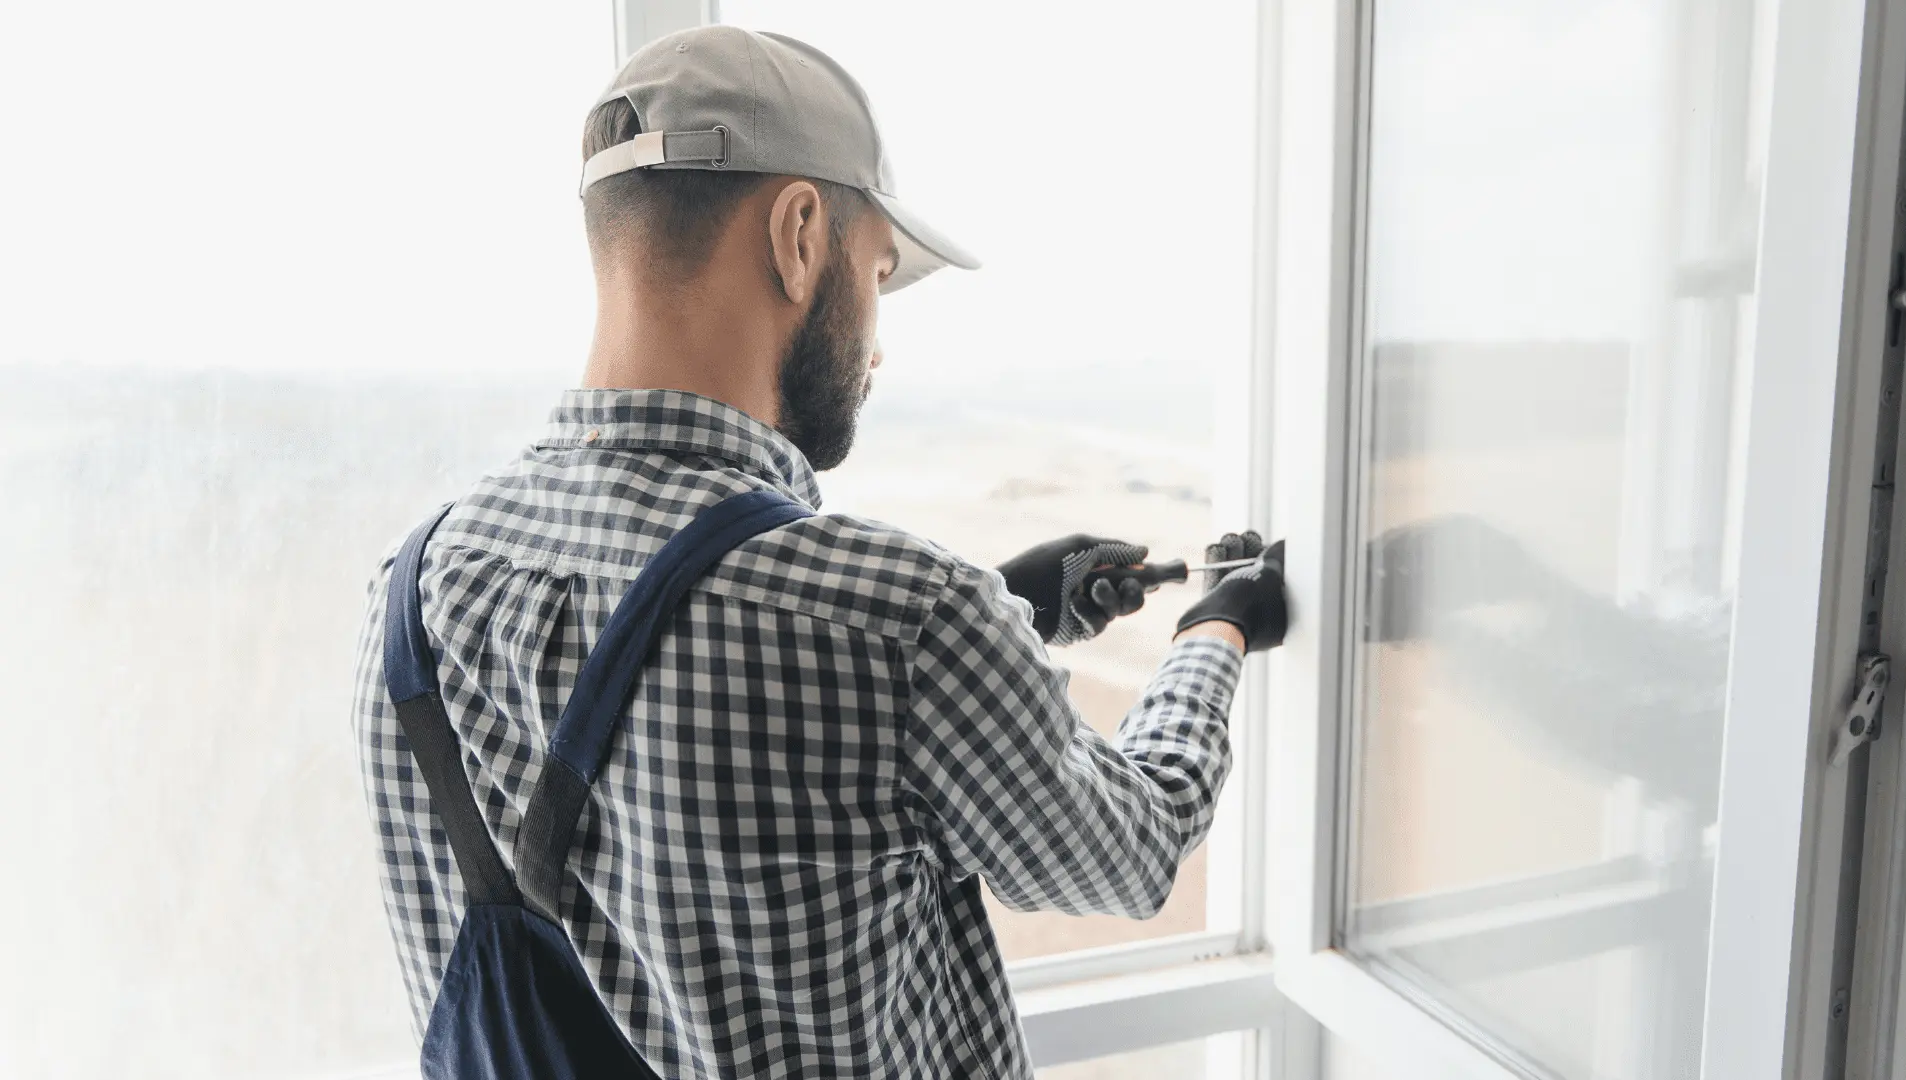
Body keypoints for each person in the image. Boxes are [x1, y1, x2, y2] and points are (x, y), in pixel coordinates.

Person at [350, 25, 1290, 1079]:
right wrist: (1218, 625)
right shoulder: (902, 619)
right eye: (879, 272)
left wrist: (1007, 608)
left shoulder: (414, 587)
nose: (879, 339)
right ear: (799, 234)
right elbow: (1129, 846)